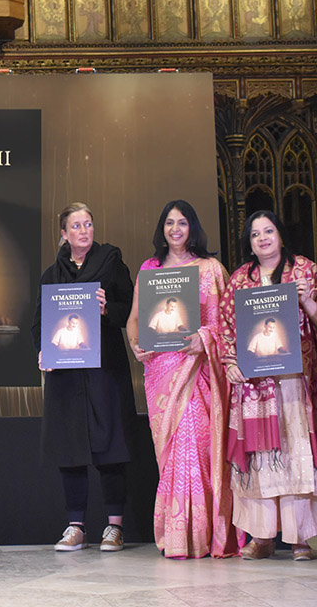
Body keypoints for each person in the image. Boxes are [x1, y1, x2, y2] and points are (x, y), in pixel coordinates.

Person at [222, 210, 317, 561]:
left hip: (296, 382)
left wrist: (307, 302)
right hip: (255, 386)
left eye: (269, 231)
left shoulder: (305, 271)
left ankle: (299, 536)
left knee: (297, 454)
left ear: (281, 235)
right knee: (261, 457)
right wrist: (231, 362)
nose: (262, 238)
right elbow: (227, 328)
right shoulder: (240, 280)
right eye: (255, 233)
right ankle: (262, 537)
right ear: (249, 242)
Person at [126, 199, 241, 559]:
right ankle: (176, 534)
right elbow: (134, 318)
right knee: (171, 451)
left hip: (198, 371)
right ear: (162, 228)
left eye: (183, 223)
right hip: (161, 372)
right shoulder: (150, 269)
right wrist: (135, 345)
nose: (176, 229)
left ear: (193, 227)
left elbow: (229, 322)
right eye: (169, 223)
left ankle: (204, 534)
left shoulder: (211, 269)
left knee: (199, 446)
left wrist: (203, 338)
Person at [31, 202, 134, 553]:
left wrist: (108, 308)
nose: (84, 231)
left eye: (88, 224)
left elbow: (130, 311)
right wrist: (42, 351)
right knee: (70, 450)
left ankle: (114, 527)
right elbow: (38, 324)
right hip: (66, 376)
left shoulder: (112, 263)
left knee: (110, 448)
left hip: (105, 371)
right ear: (63, 233)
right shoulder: (51, 275)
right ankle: (76, 527)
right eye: (76, 226)